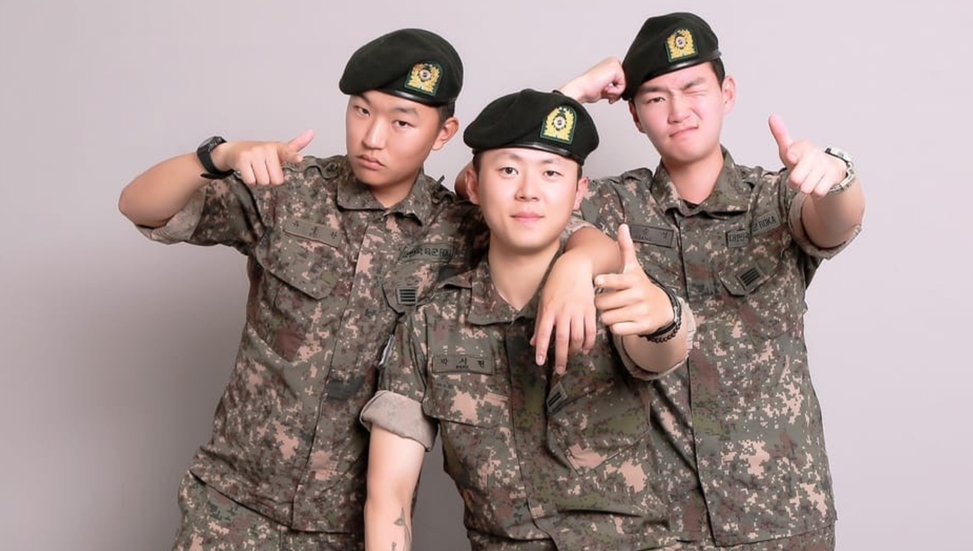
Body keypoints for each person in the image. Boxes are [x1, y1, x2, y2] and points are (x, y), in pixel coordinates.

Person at [118, 29, 616, 551]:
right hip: (233, 506)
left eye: (401, 121)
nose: (373, 137)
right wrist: (218, 155)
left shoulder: (460, 229)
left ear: (444, 132)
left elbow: (540, 195)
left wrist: (578, 263)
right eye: (361, 111)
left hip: (354, 525)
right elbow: (139, 205)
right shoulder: (291, 192)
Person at [555, 12, 866, 551]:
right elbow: (505, 181)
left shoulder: (776, 197)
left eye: (693, 88)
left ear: (727, 93)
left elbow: (835, 220)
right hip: (658, 526)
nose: (678, 111)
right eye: (655, 98)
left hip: (783, 516)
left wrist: (836, 177)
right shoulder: (613, 205)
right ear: (633, 117)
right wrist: (569, 95)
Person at [361, 89, 695, 551]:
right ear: (474, 185)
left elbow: (661, 348)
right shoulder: (428, 327)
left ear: (579, 192)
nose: (529, 191)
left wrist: (664, 318)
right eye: (509, 169)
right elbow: (389, 498)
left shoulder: (614, 288)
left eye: (551, 173)